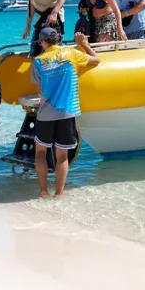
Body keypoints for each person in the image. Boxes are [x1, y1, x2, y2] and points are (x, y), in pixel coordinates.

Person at [31, 27, 100, 197]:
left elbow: (39, 88)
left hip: (45, 114)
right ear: (58, 40)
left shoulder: (38, 61)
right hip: (67, 113)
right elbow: (96, 60)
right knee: (62, 156)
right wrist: (83, 44)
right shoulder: (72, 54)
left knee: (40, 153)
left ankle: (43, 191)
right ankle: (59, 193)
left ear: (42, 42)